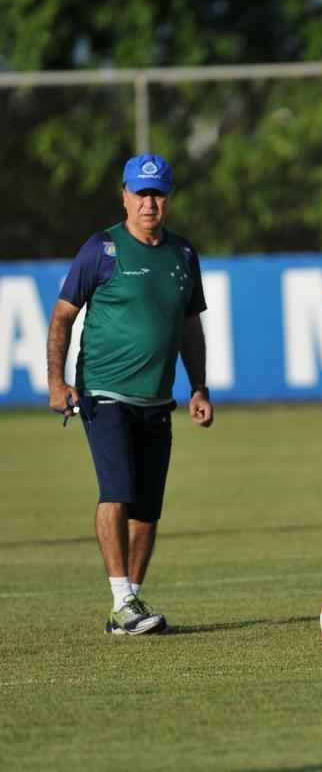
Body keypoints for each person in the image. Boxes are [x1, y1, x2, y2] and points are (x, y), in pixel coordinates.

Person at [47, 153, 213, 636]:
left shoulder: (183, 254)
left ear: (169, 199)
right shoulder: (101, 249)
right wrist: (57, 381)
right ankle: (122, 600)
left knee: (147, 511)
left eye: (157, 194)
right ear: (124, 196)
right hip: (104, 394)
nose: (148, 203)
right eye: (140, 193)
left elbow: (189, 327)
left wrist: (199, 386)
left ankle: (130, 607)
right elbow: (62, 317)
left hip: (157, 401)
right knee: (117, 492)